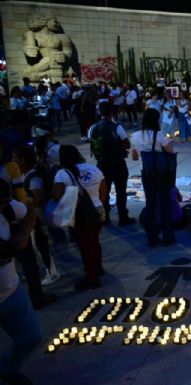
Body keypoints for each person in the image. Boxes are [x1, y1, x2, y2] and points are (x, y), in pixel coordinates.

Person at [0, 179, 43, 385]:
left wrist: (24, 233)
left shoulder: (6, 208)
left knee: (31, 337)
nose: (3, 208)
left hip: (11, 291)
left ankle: (7, 369)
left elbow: (28, 212)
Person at [51, 145, 107, 290]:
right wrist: (97, 204)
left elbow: (57, 195)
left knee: (85, 246)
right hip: (97, 210)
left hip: (80, 214)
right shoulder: (93, 168)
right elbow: (104, 190)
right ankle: (98, 268)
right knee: (94, 241)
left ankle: (92, 278)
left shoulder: (62, 174)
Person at [13, 146, 61, 285]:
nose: (13, 160)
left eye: (14, 157)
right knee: (38, 246)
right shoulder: (26, 174)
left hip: (38, 219)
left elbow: (39, 198)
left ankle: (53, 272)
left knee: (41, 246)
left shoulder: (33, 177)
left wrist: (23, 200)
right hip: (33, 218)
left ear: (22, 159)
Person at [130, 109, 175, 247]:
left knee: (150, 205)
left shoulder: (135, 136)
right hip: (162, 174)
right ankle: (168, 237)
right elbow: (170, 151)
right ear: (156, 120)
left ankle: (152, 237)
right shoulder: (159, 135)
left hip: (147, 174)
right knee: (165, 205)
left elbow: (134, 157)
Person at [88, 102, 135, 226]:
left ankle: (105, 217)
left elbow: (92, 144)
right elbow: (127, 145)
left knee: (104, 191)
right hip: (117, 163)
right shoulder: (117, 127)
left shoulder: (93, 128)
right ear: (112, 113)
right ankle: (123, 217)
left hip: (102, 164)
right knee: (121, 191)